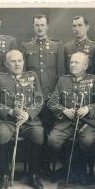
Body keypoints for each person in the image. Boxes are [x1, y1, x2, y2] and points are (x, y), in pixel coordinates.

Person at [0, 50, 44, 189]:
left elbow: (39, 99)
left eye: (19, 60)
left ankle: (33, 175)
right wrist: (11, 111)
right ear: (7, 64)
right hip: (6, 121)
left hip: (28, 120)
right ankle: (3, 175)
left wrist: (28, 113)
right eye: (13, 61)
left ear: (23, 62)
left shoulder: (32, 76)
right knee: (2, 134)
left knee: (38, 134)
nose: (17, 64)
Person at [48, 52, 95, 184]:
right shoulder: (63, 80)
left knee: (87, 141)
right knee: (53, 141)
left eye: (76, 62)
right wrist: (64, 110)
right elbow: (52, 101)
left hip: (87, 123)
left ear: (85, 65)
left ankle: (81, 171)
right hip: (66, 122)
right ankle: (67, 168)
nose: (72, 65)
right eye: (71, 62)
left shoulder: (94, 79)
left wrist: (88, 108)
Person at [21, 14, 65, 173]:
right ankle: (37, 166)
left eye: (42, 25)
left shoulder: (56, 46)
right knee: (35, 130)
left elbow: (61, 73)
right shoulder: (26, 46)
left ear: (47, 27)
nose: (39, 28)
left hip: (51, 95)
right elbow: (24, 74)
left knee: (49, 129)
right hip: (33, 98)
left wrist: (57, 95)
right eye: (37, 25)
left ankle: (48, 163)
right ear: (34, 27)